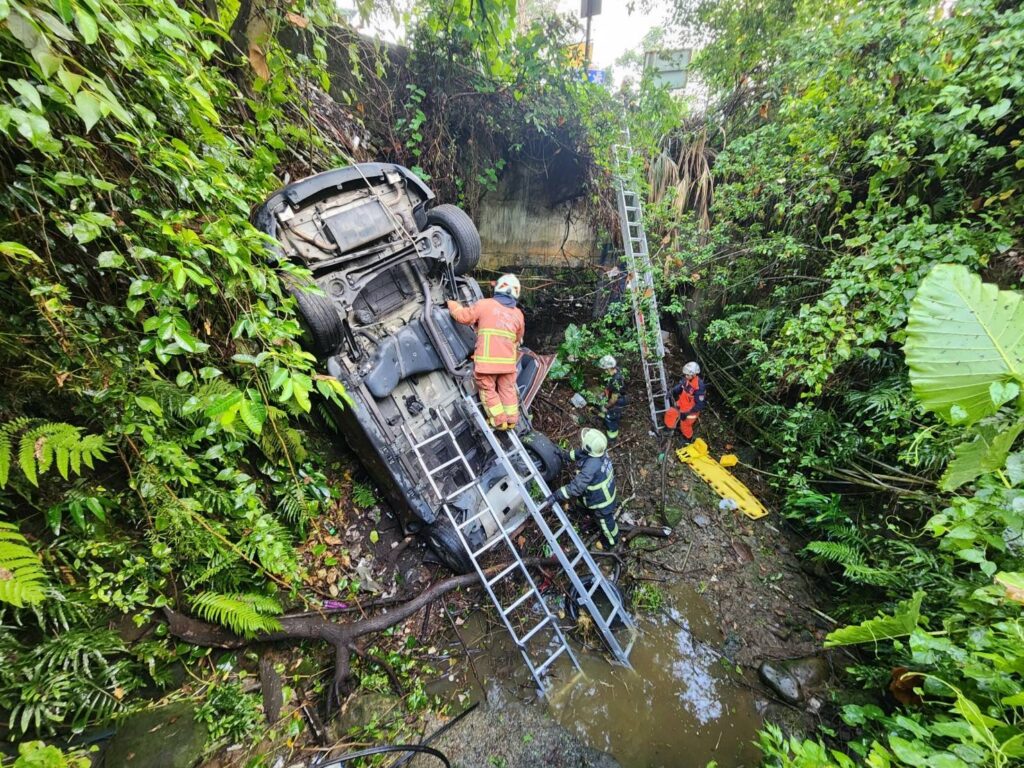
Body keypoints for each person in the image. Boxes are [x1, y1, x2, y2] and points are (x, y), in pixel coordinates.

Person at [448, 274, 524, 430]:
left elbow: (463, 317)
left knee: (488, 389)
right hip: (508, 365)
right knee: (507, 389)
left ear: (498, 289)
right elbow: (518, 337)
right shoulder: (518, 314)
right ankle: (511, 420)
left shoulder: (485, 305)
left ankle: (499, 421)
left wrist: (453, 305)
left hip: (487, 364)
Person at [546, 428, 619, 548]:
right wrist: (563, 455)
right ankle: (579, 512)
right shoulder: (597, 452)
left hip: (602, 502)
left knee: (605, 522)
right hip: (591, 494)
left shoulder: (591, 467)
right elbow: (578, 453)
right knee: (581, 503)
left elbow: (576, 487)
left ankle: (611, 541)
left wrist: (556, 495)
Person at [670, 361, 706, 441]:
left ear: (694, 375)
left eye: (687, 375)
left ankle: (687, 439)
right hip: (682, 404)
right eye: (685, 375)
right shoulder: (687, 379)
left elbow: (700, 405)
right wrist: (672, 391)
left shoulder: (699, 387)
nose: (685, 376)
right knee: (674, 412)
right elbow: (680, 386)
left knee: (685, 425)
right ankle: (677, 424)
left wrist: (687, 413)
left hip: (690, 411)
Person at [598, 355, 627, 443]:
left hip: (618, 401)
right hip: (615, 397)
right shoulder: (616, 371)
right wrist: (604, 393)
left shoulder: (616, 380)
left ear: (609, 368)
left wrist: (606, 407)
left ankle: (612, 437)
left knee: (610, 418)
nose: (604, 371)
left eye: (605, 369)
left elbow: (614, 399)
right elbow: (610, 386)